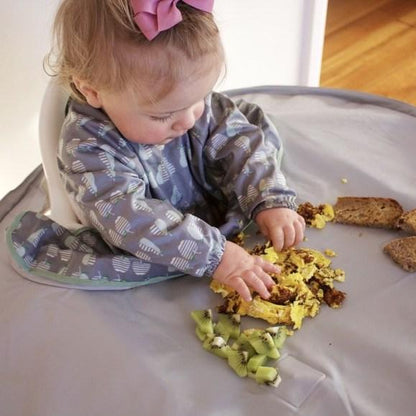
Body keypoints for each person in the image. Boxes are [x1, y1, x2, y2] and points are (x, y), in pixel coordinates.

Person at [29, 0, 305, 300]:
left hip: (208, 212)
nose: (189, 120)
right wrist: (217, 255)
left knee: (246, 136)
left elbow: (238, 140)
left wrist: (269, 199)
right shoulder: (88, 149)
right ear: (92, 91)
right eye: (163, 115)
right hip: (148, 243)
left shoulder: (189, 111)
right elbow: (130, 220)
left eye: (200, 98)